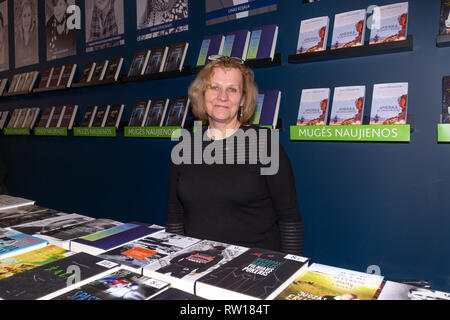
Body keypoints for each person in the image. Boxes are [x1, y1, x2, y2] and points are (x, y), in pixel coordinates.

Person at [167, 56, 303, 255]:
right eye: (214, 87)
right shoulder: (185, 146)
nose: (222, 96)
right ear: (202, 94)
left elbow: (289, 219)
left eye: (232, 89)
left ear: (243, 100)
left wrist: (287, 270)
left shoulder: (265, 144)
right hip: (196, 263)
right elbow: (175, 217)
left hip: (252, 268)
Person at [15, 0, 39, 68]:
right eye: (24, 16)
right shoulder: (18, 38)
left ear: (32, 17)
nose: (27, 20)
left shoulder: (36, 35)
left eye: (29, 15)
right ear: (21, 18)